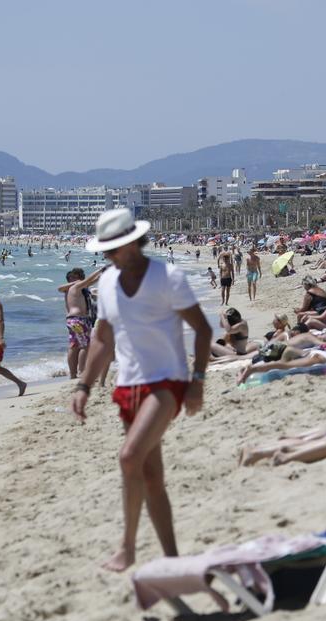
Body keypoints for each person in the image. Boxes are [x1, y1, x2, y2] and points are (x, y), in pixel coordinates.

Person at [72, 208, 212, 572]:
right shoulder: (105, 284)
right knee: (151, 475)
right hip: (127, 384)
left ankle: (127, 548)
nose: (112, 255)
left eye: (117, 247)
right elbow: (102, 339)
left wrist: (197, 383)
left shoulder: (167, 277)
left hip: (167, 381)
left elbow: (203, 330)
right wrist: (84, 384)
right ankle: (172, 559)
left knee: (128, 457)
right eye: (108, 250)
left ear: (135, 242)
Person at [57, 267, 105, 379]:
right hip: (79, 320)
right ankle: (82, 372)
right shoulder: (76, 286)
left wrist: (104, 274)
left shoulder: (74, 288)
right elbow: (90, 279)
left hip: (72, 320)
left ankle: (73, 374)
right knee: (85, 346)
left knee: (74, 346)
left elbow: (92, 281)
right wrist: (100, 270)